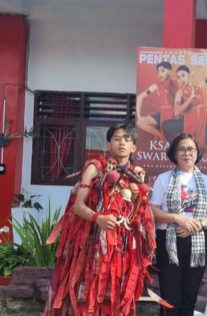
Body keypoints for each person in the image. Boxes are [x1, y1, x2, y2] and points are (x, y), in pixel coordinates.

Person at [46, 122, 158, 315]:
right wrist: (98, 218)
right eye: (116, 139)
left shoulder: (136, 176)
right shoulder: (95, 168)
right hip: (93, 247)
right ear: (108, 145)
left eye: (127, 139)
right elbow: (78, 206)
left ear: (134, 147)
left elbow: (138, 216)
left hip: (124, 252)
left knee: (116, 300)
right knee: (88, 298)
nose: (121, 143)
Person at [150, 133, 207, 316]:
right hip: (169, 242)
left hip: (197, 241)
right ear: (174, 153)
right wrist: (177, 218)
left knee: (189, 299)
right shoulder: (163, 179)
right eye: (181, 149)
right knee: (170, 300)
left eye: (191, 149)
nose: (186, 153)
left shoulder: (206, 181)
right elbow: (153, 211)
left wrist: (199, 224)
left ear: (197, 153)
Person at [136, 61, 177, 141]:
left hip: (175, 114)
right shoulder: (156, 86)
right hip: (162, 114)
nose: (160, 74)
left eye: (162, 71)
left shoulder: (177, 83)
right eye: (158, 71)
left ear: (169, 71)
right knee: (139, 122)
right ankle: (161, 136)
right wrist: (138, 116)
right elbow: (140, 96)